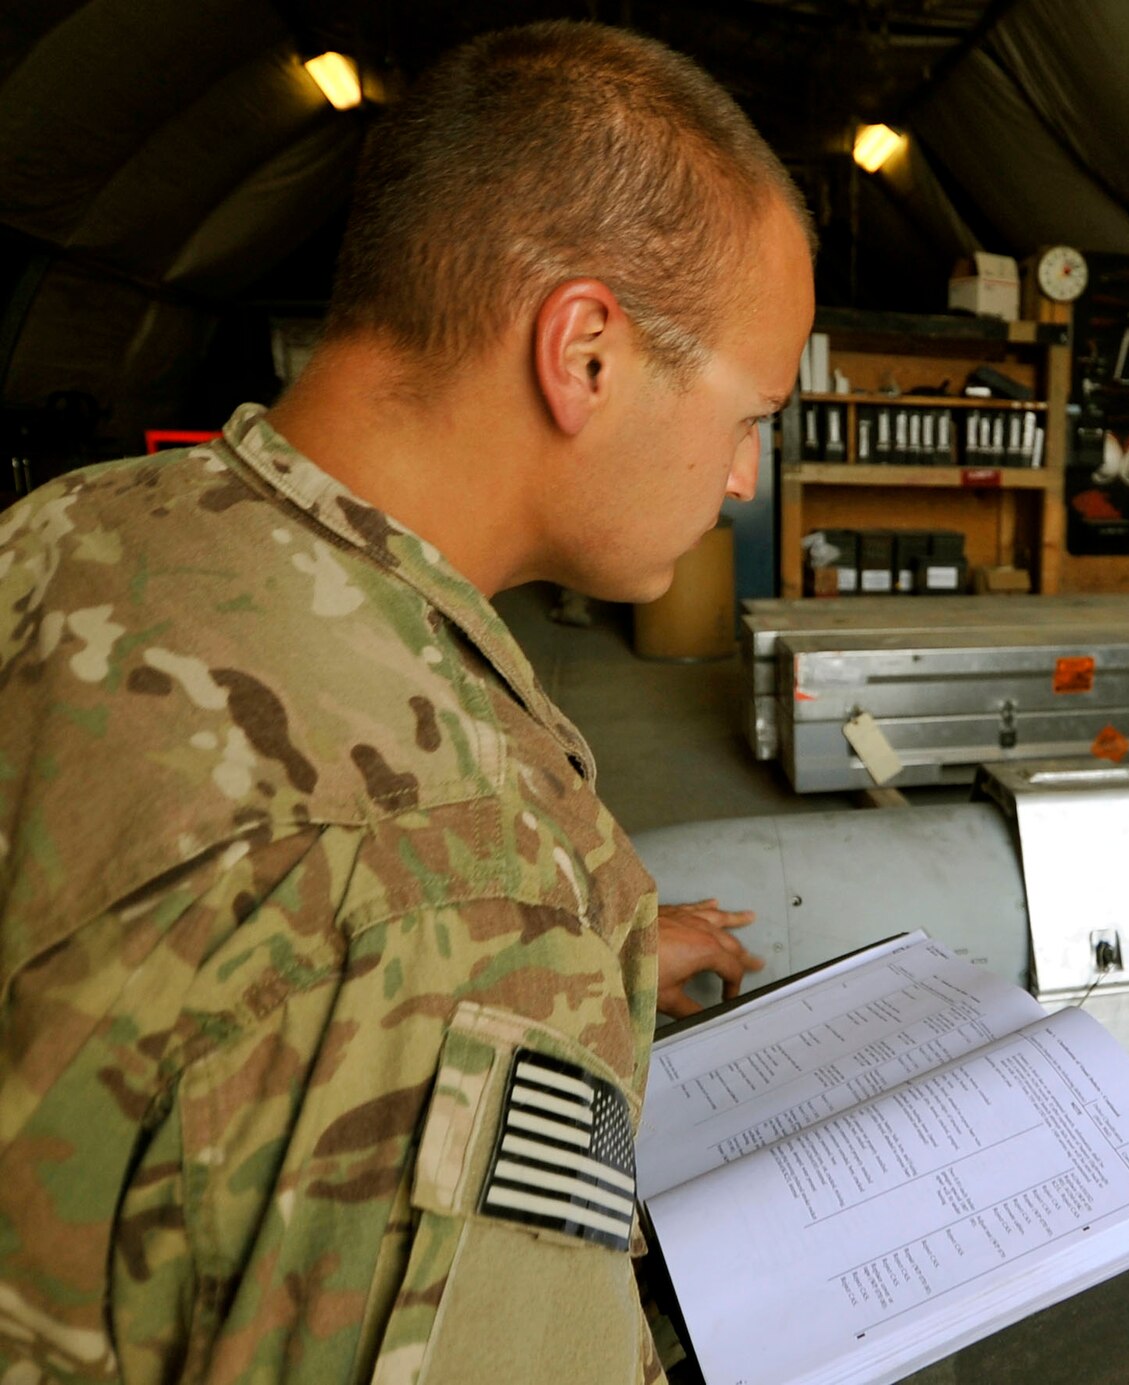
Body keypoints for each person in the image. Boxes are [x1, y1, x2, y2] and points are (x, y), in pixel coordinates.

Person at [0, 20, 812, 1383]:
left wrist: (592, 951)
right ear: (588, 354)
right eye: (748, 414)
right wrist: (516, 954)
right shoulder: (459, 887)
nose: (742, 478)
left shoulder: (72, 532)